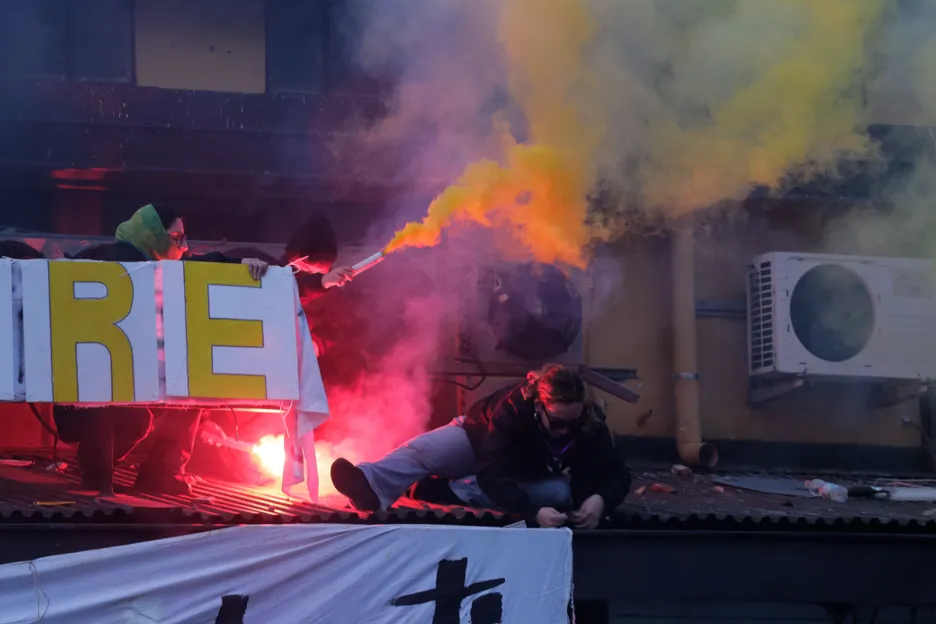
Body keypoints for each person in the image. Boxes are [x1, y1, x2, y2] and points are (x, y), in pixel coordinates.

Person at [53, 203, 269, 497]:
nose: (184, 246)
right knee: (182, 394)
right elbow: (191, 268)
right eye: (177, 238)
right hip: (91, 399)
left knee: (140, 419)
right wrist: (237, 263)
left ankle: (100, 472)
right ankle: (125, 477)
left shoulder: (112, 255)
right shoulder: (131, 261)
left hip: (90, 394)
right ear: (155, 234)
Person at [329, 364, 631, 529]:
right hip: (478, 439)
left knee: (558, 494)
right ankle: (371, 485)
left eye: (572, 422)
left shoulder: (589, 422)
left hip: (526, 472)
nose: (566, 429)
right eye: (558, 422)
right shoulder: (513, 409)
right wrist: (532, 511)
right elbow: (491, 471)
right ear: (539, 406)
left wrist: (601, 499)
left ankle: (438, 490)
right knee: (425, 450)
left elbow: (617, 473)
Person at [225, 212, 355, 308]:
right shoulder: (257, 267)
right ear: (295, 261)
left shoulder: (330, 297)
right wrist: (320, 283)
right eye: (309, 271)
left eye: (322, 272)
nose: (313, 277)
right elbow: (281, 288)